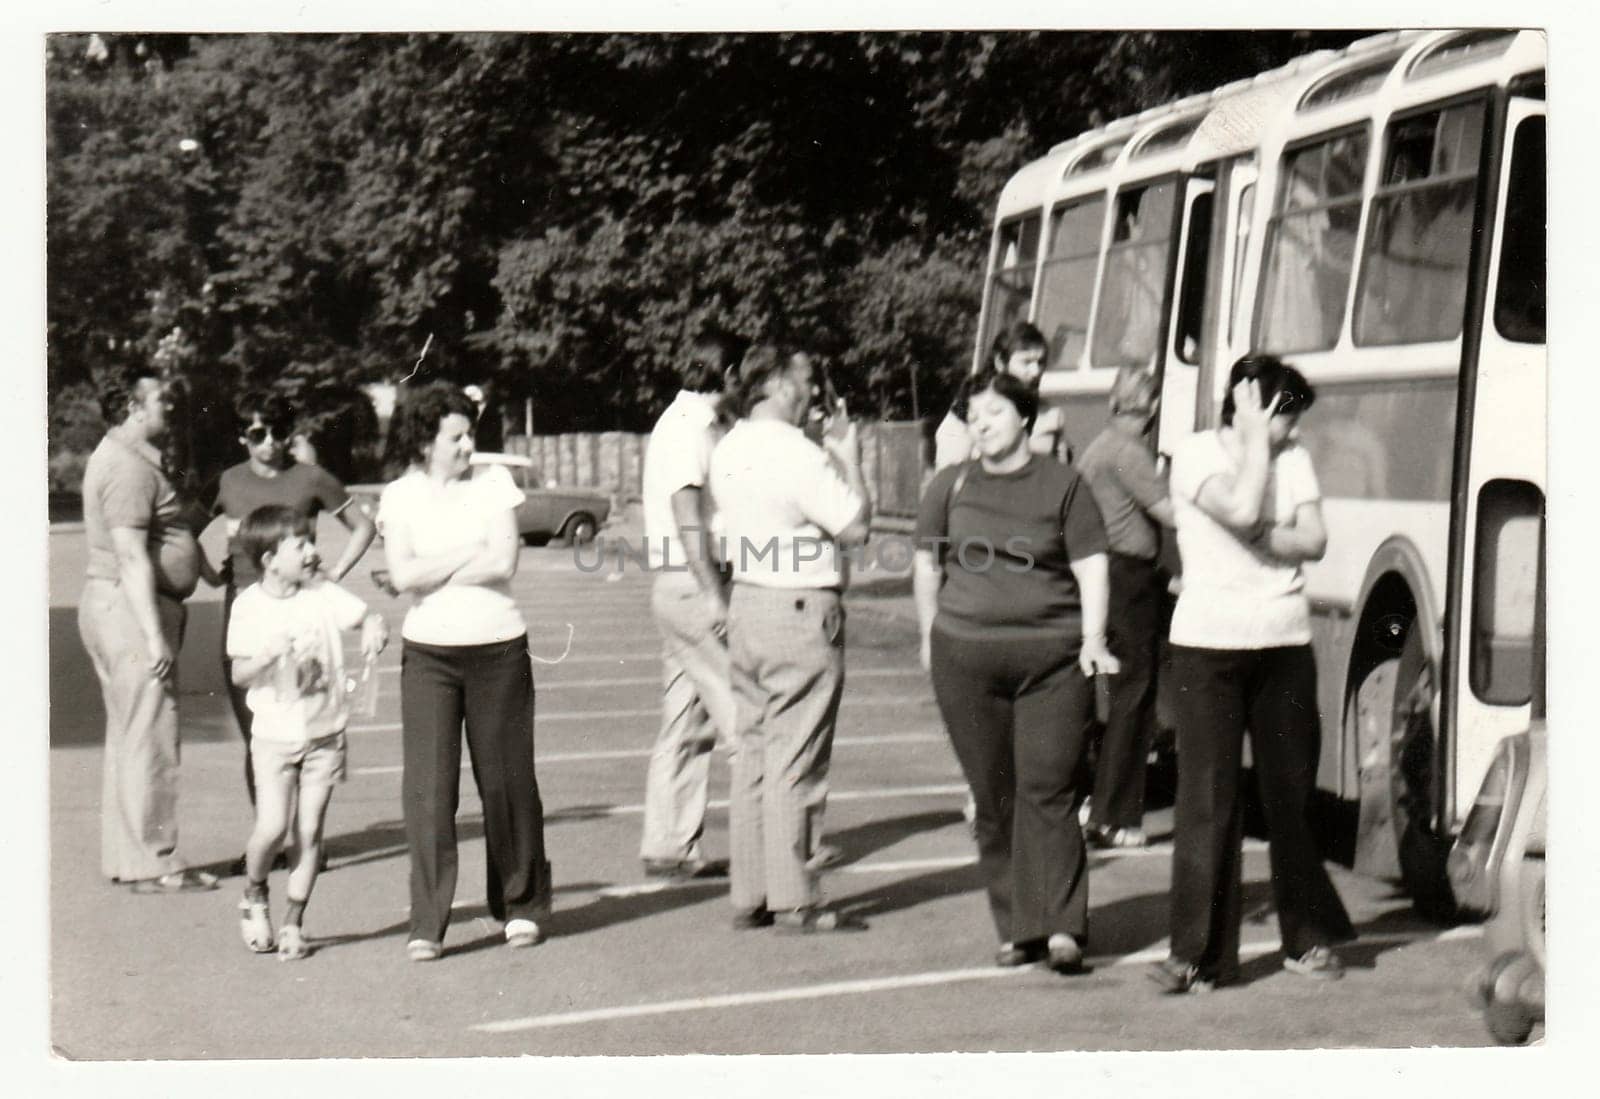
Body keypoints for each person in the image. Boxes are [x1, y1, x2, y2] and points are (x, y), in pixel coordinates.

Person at [1149, 355, 1356, 994]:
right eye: (1287, 418)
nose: (1295, 432)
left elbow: (1314, 539)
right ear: (1256, 408)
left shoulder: (1294, 458)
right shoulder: (1192, 455)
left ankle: (1307, 939)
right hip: (1207, 648)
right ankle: (1198, 957)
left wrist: (1263, 535)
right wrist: (1255, 455)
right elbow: (1238, 505)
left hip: (1284, 643)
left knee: (1290, 799)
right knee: (1207, 801)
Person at [913, 371, 1117, 972]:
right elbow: (927, 565)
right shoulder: (948, 486)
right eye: (973, 414)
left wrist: (1093, 639)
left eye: (995, 412)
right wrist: (930, 634)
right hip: (965, 660)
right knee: (994, 797)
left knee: (1048, 789)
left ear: (1025, 418)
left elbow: (1092, 566)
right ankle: (1018, 927)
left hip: (1052, 662)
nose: (981, 423)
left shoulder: (1064, 484)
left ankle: (1062, 929)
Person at [377, 381, 552, 961]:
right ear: (425, 440)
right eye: (455, 436)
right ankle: (427, 921)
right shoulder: (400, 495)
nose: (468, 445)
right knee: (429, 791)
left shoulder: (493, 483)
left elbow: (505, 560)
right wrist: (461, 556)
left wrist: (430, 570)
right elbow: (400, 575)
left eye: (470, 433)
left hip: (498, 647)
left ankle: (520, 905)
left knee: (506, 783)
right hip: (429, 654)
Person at [709, 347, 871, 933]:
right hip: (801, 605)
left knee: (753, 750)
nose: (814, 392)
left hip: (749, 598)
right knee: (797, 754)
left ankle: (750, 893)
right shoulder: (801, 454)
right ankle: (796, 896)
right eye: (806, 379)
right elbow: (855, 527)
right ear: (778, 384)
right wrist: (851, 460)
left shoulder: (728, 448)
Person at [202, 392, 377, 826]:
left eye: (278, 432)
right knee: (257, 731)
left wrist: (332, 572)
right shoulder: (226, 482)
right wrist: (208, 575)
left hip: (302, 611)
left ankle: (306, 834)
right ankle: (269, 833)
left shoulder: (312, 478)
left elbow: (363, 526)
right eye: (258, 434)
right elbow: (182, 533)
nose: (269, 443)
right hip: (246, 609)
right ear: (243, 436)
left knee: (308, 722)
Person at [226, 505, 389, 959]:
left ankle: (295, 921)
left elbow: (367, 617)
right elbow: (240, 674)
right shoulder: (248, 606)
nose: (313, 552)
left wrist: (375, 627)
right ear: (270, 560)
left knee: (310, 829)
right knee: (273, 826)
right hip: (275, 736)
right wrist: (264, 656)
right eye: (301, 545)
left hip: (325, 733)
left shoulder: (323, 593)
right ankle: (255, 893)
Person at [77, 365, 217, 893]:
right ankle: (155, 862)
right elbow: (133, 556)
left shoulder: (131, 460)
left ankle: (131, 858)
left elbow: (168, 533)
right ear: (132, 408)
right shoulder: (127, 469)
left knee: (133, 736)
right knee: (153, 736)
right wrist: (154, 634)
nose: (170, 404)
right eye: (159, 397)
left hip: (123, 607)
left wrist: (201, 568)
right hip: (132, 611)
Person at [638, 329, 740, 879]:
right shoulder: (687, 429)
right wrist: (714, 594)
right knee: (742, 715)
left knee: (685, 719)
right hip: (693, 582)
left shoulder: (688, 424)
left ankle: (669, 842)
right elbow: (688, 517)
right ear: (727, 374)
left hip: (678, 584)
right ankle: (773, 844)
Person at [1075, 366, 1176, 849]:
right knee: (1134, 696)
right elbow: (1170, 513)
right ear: (1152, 405)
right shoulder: (1131, 454)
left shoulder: (1098, 446)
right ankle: (1115, 815)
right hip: (1130, 579)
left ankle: (1099, 805)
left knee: (1116, 696)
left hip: (1104, 575)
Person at [933, 321, 1067, 470]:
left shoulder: (1051, 414)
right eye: (1027, 362)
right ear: (1000, 363)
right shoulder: (968, 410)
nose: (1036, 371)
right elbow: (949, 475)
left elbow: (1062, 477)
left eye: (1041, 362)